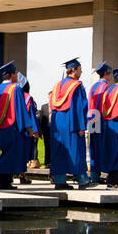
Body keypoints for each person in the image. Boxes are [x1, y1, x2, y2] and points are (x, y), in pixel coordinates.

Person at [0, 61, 34, 189]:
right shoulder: (16, 89)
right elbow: (20, 110)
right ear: (12, 75)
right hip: (11, 127)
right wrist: (28, 127)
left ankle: (6, 180)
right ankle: (4, 182)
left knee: (5, 153)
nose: (17, 75)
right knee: (10, 154)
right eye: (16, 73)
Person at [48, 58, 89, 190]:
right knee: (75, 150)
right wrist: (81, 126)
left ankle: (60, 181)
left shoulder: (57, 86)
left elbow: (53, 105)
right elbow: (79, 106)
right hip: (72, 122)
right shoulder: (76, 86)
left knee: (59, 151)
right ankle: (82, 180)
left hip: (58, 122)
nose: (81, 72)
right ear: (73, 70)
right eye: (80, 69)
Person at [87, 62, 113, 184]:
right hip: (103, 119)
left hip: (93, 118)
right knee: (106, 147)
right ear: (106, 74)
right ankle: (109, 174)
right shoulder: (107, 87)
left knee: (94, 148)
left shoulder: (93, 87)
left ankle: (94, 175)